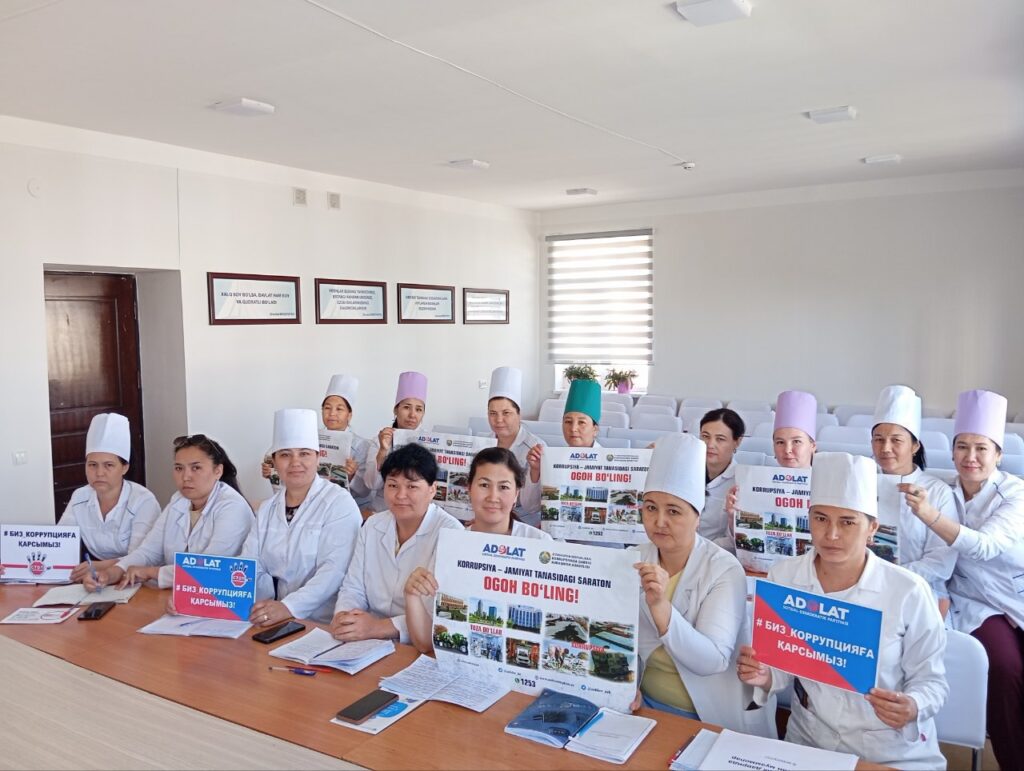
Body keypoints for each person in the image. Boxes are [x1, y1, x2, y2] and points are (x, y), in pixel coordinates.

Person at [738, 452, 948, 770]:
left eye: (847, 522)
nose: (831, 534)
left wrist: (913, 705)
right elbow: (782, 664)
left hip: (889, 750)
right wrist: (764, 676)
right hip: (809, 740)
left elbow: (932, 680)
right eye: (821, 518)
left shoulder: (908, 591)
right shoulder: (785, 576)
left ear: (872, 527)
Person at [900, 389, 1024, 769]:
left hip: (1015, 594)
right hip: (973, 601)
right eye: (962, 447)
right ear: (952, 452)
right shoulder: (942, 491)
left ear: (998, 454)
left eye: (981, 448)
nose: (971, 457)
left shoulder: (1015, 494)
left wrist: (929, 515)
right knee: (1005, 669)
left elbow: (985, 546)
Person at [629, 433, 776, 736]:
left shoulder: (723, 569)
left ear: (698, 516)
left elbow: (713, 660)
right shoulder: (633, 558)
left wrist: (660, 606)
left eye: (673, 511)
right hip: (644, 706)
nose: (659, 521)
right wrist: (623, 685)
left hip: (706, 715)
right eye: (651, 508)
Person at [403, 446, 551, 653]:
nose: (493, 496)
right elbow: (425, 643)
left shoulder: (539, 543)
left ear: (516, 494)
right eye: (484, 485)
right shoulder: (452, 544)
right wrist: (411, 594)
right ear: (469, 489)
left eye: (504, 487)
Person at [330, 443, 462, 643]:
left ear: (432, 489)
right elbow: (353, 587)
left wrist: (377, 628)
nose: (400, 495)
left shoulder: (451, 534)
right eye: (392, 485)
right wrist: (345, 617)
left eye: (412, 486)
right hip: (366, 639)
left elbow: (436, 612)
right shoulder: (373, 525)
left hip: (417, 644)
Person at [85, 434, 254, 590]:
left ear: (218, 471)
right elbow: (148, 551)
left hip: (229, 601)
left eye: (196, 468)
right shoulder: (179, 500)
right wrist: (112, 573)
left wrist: (152, 573)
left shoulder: (232, 507)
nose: (186, 477)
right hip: (183, 595)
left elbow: (210, 568)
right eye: (179, 468)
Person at [243, 409, 362, 628]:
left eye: (304, 454)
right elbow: (249, 564)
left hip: (322, 623)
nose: (295, 462)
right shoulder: (267, 509)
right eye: (285, 455)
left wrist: (288, 607)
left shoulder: (339, 503)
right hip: (272, 618)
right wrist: (263, 605)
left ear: (318, 458)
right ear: (274, 462)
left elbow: (334, 570)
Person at [870, 385, 956, 611]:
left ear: (915, 446)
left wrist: (888, 577)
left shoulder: (938, 492)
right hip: (864, 586)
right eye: (878, 439)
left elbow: (941, 563)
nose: (885, 448)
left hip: (919, 591)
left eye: (896, 440)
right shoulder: (862, 482)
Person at [59, 413, 160, 581]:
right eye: (92, 465)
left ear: (124, 467)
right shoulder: (79, 497)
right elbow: (60, 542)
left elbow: (142, 556)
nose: (99, 473)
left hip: (138, 577)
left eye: (109, 465)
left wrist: (99, 567)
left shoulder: (143, 501)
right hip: (97, 576)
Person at [260, 374, 370, 505]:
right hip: (310, 503)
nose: (332, 413)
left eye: (339, 409)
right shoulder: (308, 437)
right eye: (327, 408)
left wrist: (352, 476)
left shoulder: (362, 445)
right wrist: (272, 471)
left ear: (349, 415)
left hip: (349, 505)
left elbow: (365, 491)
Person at [487, 366, 545, 526]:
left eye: (506, 413)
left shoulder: (536, 448)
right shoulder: (484, 444)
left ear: (519, 414)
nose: (499, 420)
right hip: (489, 515)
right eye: (492, 413)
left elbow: (531, 507)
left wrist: (535, 471)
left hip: (524, 521)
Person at [364, 371, 429, 513]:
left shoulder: (429, 442)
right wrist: (383, 451)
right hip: (383, 510)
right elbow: (371, 484)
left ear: (423, 414)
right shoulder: (379, 441)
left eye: (418, 409)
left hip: (417, 513)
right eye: (406, 407)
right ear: (396, 410)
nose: (412, 415)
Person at [697, 408, 744, 552]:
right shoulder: (684, 470)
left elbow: (734, 539)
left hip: (715, 555)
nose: (710, 444)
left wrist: (696, 550)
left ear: (737, 442)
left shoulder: (741, 482)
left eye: (720, 439)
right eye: (705, 436)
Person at [772, 390, 817, 468]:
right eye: (780, 442)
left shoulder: (827, 476)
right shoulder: (760, 475)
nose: (787, 450)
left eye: (796, 441)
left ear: (813, 446)